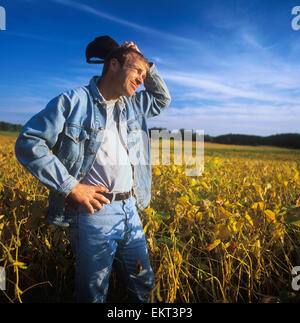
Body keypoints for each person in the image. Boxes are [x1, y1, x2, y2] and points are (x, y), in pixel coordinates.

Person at [14, 36, 171, 303]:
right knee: (93, 294)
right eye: (137, 71)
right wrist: (71, 187)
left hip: (130, 207)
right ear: (113, 64)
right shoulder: (73, 101)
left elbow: (162, 99)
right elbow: (29, 142)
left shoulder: (132, 104)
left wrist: (145, 62)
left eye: (145, 75)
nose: (142, 79)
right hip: (94, 212)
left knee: (144, 286)